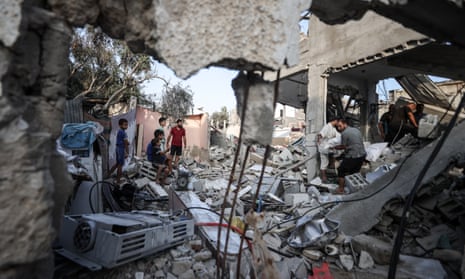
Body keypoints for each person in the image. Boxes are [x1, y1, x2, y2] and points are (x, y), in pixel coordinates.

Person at [334, 119, 366, 194]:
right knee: (354, 172)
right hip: (362, 154)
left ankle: (341, 189)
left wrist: (334, 147)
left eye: (340, 126)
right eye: (337, 127)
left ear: (345, 124)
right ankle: (356, 189)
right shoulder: (356, 130)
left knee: (341, 170)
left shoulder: (344, 133)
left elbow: (343, 146)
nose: (339, 128)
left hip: (353, 155)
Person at [317, 117, 340, 183]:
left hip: (329, 148)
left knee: (335, 156)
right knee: (324, 163)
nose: (338, 123)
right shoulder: (327, 127)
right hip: (324, 148)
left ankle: (332, 171)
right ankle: (324, 178)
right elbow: (320, 135)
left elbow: (337, 136)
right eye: (337, 122)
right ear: (335, 121)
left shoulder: (333, 128)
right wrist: (319, 142)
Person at [109, 118, 129, 184]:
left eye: (127, 125)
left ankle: (108, 175)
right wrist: (127, 152)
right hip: (121, 149)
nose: (126, 126)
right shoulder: (123, 133)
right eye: (125, 125)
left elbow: (124, 141)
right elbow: (126, 143)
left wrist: (126, 142)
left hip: (118, 148)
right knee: (120, 165)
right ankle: (118, 180)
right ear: (120, 125)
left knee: (117, 164)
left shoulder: (120, 131)